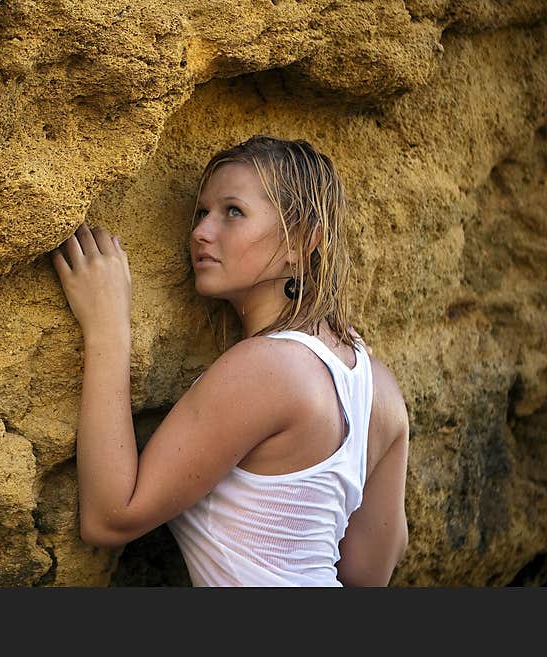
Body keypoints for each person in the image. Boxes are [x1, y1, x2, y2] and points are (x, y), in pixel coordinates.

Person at [50, 135, 409, 587]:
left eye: (233, 212)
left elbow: (109, 519)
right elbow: (369, 572)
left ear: (302, 240)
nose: (201, 231)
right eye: (202, 212)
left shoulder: (267, 367)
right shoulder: (378, 386)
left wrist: (107, 327)